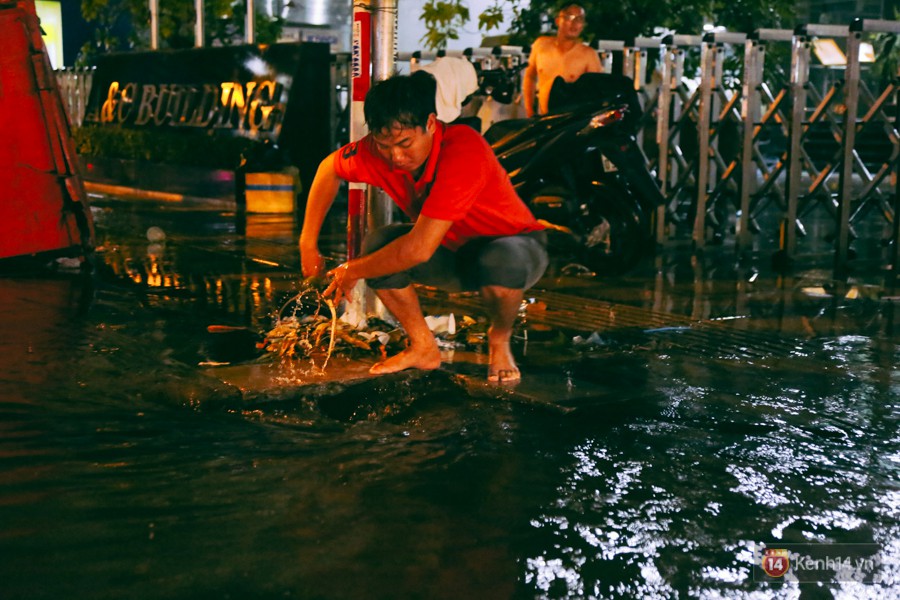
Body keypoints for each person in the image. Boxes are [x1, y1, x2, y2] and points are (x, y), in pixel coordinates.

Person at [299, 72, 548, 383]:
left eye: (405, 143)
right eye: (385, 145)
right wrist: (308, 244)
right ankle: (423, 347)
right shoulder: (377, 151)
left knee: (499, 259)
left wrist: (352, 270)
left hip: (517, 250)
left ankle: (499, 339)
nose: (396, 157)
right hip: (454, 255)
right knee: (379, 244)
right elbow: (328, 168)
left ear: (430, 123)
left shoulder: (463, 148)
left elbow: (418, 249)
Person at [521, 3, 602, 118]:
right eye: (569, 17)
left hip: (572, 123)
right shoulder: (541, 45)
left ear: (583, 25)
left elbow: (596, 93)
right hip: (543, 120)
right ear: (557, 21)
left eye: (579, 19)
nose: (574, 23)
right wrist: (530, 111)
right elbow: (529, 77)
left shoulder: (589, 55)